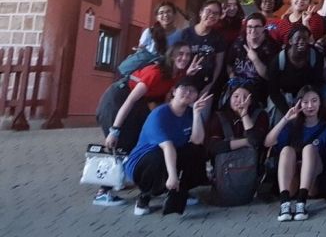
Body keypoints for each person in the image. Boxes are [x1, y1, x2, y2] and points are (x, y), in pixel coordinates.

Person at [92, 42, 200, 206]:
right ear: (171, 55)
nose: (184, 58)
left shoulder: (176, 74)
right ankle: (103, 191)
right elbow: (130, 99)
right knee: (120, 143)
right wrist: (115, 129)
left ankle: (156, 184)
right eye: (180, 54)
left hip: (138, 106)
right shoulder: (155, 72)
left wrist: (189, 73)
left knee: (142, 141)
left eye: (187, 54)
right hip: (117, 101)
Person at [124, 75, 212, 217]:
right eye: (184, 89)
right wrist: (172, 176)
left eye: (193, 91)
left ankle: (180, 191)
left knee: (197, 151)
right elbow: (167, 146)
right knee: (159, 155)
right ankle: (145, 195)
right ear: (174, 91)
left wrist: (196, 114)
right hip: (143, 162)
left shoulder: (191, 113)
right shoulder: (159, 114)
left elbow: (197, 141)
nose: (188, 93)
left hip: (170, 156)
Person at [265, 84, 326, 222]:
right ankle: (285, 203)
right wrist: (286, 118)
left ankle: (301, 203)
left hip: (313, 183)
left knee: (309, 149)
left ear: (320, 102)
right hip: (292, 182)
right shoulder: (292, 127)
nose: (310, 105)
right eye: (305, 102)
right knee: (287, 150)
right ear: (299, 103)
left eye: (314, 100)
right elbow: (268, 142)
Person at [205, 82, 270, 204]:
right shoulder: (219, 116)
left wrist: (244, 114)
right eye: (236, 96)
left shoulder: (260, 115)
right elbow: (213, 147)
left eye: (245, 97)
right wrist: (245, 142)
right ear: (229, 98)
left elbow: (256, 141)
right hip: (224, 172)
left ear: (251, 100)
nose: (240, 100)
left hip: (251, 171)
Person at [171, 0, 227, 107]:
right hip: (183, 85)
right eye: (208, 11)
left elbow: (218, 65)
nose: (211, 15)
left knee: (199, 120)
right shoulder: (185, 34)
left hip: (205, 88)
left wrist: (210, 86)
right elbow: (175, 60)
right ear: (201, 12)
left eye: (216, 14)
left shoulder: (219, 38)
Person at [224, 11, 281, 108]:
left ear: (263, 27)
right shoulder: (239, 42)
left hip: (258, 91)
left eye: (257, 26)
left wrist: (255, 59)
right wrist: (232, 78)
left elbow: (269, 76)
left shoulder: (272, 46)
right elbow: (229, 64)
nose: (253, 30)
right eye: (250, 27)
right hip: (236, 87)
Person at [267, 25, 325, 115]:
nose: (301, 42)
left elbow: (318, 83)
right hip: (284, 96)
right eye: (298, 38)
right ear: (290, 41)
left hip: (307, 95)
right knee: (278, 115)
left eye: (305, 39)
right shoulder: (279, 60)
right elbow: (274, 91)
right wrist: (287, 112)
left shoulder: (315, 57)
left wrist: (305, 102)